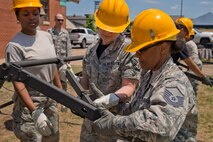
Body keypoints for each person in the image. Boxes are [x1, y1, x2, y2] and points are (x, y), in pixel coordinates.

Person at [92, 8, 197, 142]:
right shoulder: (149, 74)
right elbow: (135, 110)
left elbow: (162, 126)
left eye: (141, 49)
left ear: (163, 47)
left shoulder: (174, 82)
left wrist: (113, 124)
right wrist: (111, 104)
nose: (137, 54)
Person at [79, 0, 141, 141]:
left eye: (112, 28)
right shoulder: (91, 50)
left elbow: (129, 86)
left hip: (114, 123)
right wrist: (71, 79)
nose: (106, 31)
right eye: (103, 26)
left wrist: (110, 99)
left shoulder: (128, 51)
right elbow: (85, 82)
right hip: (91, 121)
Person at [5, 0, 61, 141]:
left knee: (53, 136)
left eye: (35, 13)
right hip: (30, 98)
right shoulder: (15, 45)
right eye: (25, 14)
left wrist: (60, 91)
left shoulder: (47, 36)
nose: (32, 17)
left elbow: (52, 64)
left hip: (50, 94)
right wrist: (34, 111)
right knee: (33, 137)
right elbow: (17, 81)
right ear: (17, 17)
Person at [172, 17, 212, 87]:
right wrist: (203, 77)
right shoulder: (179, 41)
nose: (186, 37)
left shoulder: (167, 36)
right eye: (186, 34)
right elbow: (190, 63)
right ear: (183, 30)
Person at [47, 13, 72, 91]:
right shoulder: (49, 32)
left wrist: (69, 58)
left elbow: (68, 46)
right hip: (52, 59)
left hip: (63, 59)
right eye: (58, 20)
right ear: (55, 20)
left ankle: (64, 94)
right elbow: (47, 45)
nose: (60, 22)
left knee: (63, 77)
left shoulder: (65, 33)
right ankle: (54, 93)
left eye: (62, 20)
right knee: (52, 77)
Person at [186, 28, 203, 94]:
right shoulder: (191, 43)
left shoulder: (188, 43)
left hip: (194, 62)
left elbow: (183, 55)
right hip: (196, 62)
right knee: (193, 81)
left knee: (191, 82)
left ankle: (192, 95)